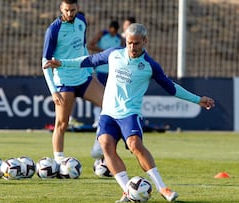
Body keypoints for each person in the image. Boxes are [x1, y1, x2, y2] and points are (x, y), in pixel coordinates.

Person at [44, 23, 215, 202]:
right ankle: (127, 190)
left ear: (145, 41)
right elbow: (88, 60)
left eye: (136, 43)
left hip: (130, 114)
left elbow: (171, 88)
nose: (132, 47)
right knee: (106, 146)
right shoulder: (114, 54)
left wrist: (197, 99)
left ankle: (162, 187)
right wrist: (62, 63)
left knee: (135, 145)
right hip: (108, 113)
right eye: (129, 43)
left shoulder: (150, 66)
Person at [41, 0, 104, 163]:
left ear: (78, 8)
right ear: (61, 9)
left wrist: (91, 72)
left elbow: (83, 48)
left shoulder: (82, 21)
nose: (70, 13)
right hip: (64, 82)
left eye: (73, 10)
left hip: (84, 77)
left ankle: (99, 145)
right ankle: (59, 162)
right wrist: (53, 90)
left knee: (110, 105)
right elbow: (45, 62)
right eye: (67, 10)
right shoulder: (53, 29)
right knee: (62, 124)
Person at [87, 20, 124, 159]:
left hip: (114, 72)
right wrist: (104, 53)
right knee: (102, 96)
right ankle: (99, 118)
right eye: (112, 30)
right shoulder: (102, 35)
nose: (113, 33)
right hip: (101, 71)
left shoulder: (119, 39)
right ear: (109, 28)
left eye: (115, 31)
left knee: (112, 97)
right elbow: (90, 45)